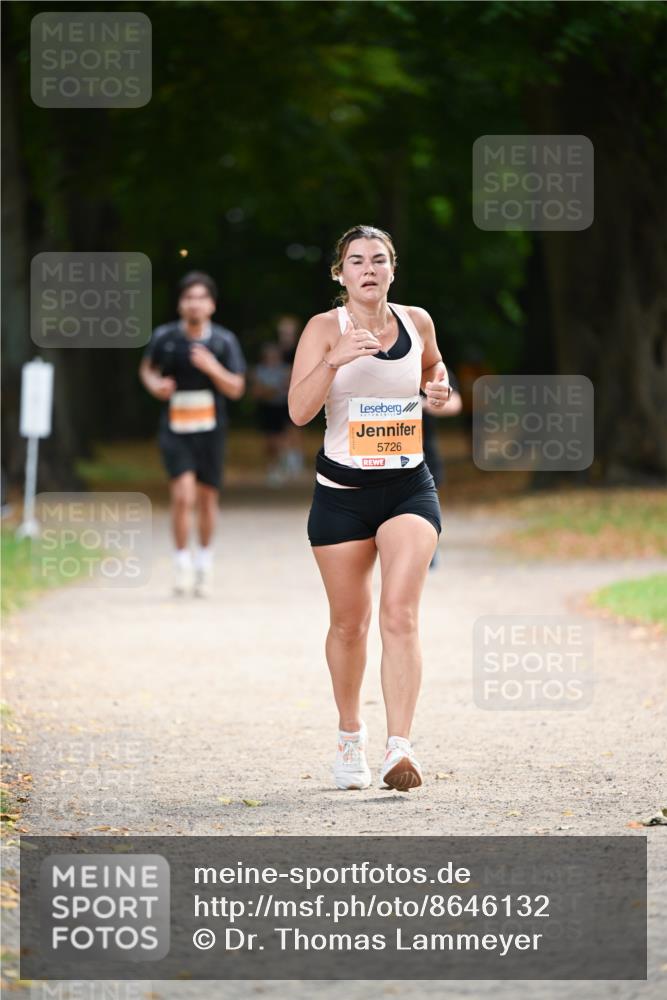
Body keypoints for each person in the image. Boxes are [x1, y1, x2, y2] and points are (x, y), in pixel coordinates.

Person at [288, 225, 452, 792]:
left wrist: (438, 388)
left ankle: (398, 748)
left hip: (408, 488)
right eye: (356, 260)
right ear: (340, 273)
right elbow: (299, 411)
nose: (368, 268)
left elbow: (435, 368)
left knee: (400, 613)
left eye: (379, 260)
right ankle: (350, 736)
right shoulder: (321, 329)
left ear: (392, 269)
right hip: (341, 497)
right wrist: (333, 360)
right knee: (349, 623)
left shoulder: (417, 321)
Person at [139, 272, 246, 597]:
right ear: (180, 304)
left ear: (211, 305)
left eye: (201, 298)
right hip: (176, 428)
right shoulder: (165, 337)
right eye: (188, 298)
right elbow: (147, 368)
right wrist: (156, 385)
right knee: (183, 495)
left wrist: (212, 367)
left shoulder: (223, 341)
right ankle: (181, 563)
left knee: (207, 498)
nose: (194, 304)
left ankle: (205, 563)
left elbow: (237, 388)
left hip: (211, 430)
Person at [251, 342, 291, 486]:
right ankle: (272, 466)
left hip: (280, 407)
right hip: (266, 408)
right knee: (268, 440)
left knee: (281, 438)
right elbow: (256, 392)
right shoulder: (259, 370)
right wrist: (273, 390)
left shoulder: (285, 369)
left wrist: (267, 390)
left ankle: (281, 464)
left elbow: (287, 387)